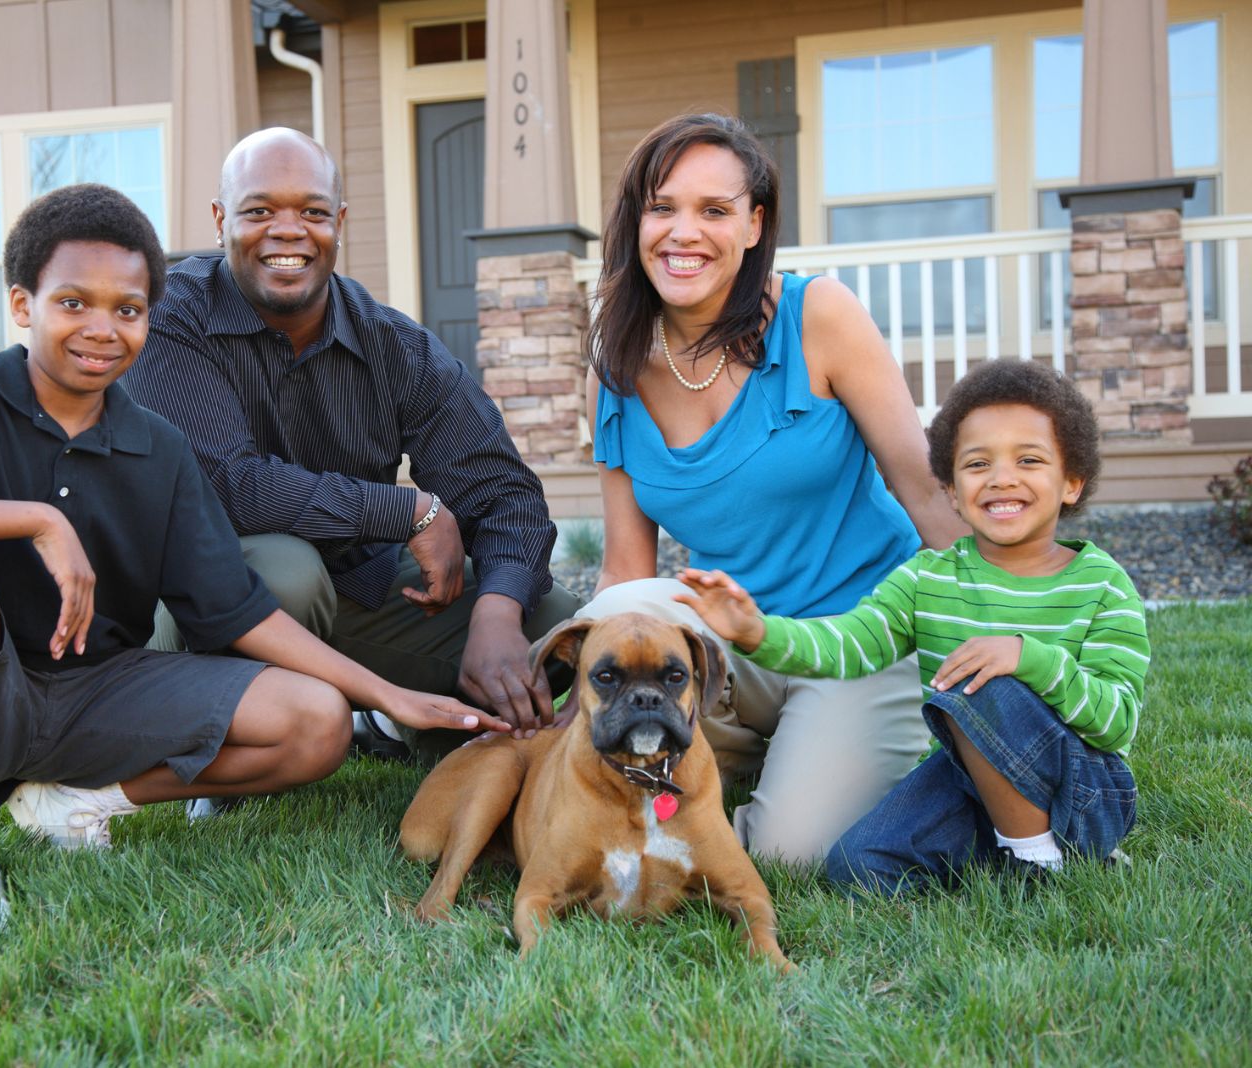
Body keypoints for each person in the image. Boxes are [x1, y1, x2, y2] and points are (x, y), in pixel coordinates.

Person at [0, 184, 506, 925]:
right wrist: (36, 520)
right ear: (23, 305)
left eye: (128, 309)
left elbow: (238, 611)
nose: (101, 329)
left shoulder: (159, 446)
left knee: (317, 720)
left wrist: (385, 696)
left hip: (100, 696)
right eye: (73, 303)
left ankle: (79, 804)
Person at [575, 113, 969, 863]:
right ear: (635, 223)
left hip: (860, 639)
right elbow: (626, 567)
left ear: (754, 225)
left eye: (714, 210)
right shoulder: (617, 366)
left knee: (790, 849)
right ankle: (739, 755)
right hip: (737, 645)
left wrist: (992, 622)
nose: (682, 232)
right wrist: (574, 709)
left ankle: (786, 766)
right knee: (625, 608)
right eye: (662, 207)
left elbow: (923, 489)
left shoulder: (818, 315)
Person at [125, 127, 580, 758]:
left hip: (353, 586)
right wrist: (407, 510)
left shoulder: (394, 344)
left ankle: (405, 725)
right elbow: (224, 488)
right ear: (220, 219)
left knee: (552, 623)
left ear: (339, 222)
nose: (288, 231)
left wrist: (498, 615)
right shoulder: (171, 316)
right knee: (287, 572)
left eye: (312, 212)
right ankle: (235, 748)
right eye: (259, 211)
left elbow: (502, 490)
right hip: (204, 596)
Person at [675, 358, 1147, 894]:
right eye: (977, 465)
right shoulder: (928, 577)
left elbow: (1117, 721)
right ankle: (1002, 852)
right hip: (965, 784)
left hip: (1083, 790)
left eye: (1030, 460)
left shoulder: (1102, 585)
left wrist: (1028, 658)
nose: (1002, 478)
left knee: (987, 683)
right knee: (857, 865)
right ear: (950, 489)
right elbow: (849, 644)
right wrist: (757, 631)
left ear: (1072, 482)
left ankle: (1040, 862)